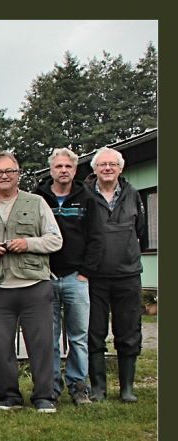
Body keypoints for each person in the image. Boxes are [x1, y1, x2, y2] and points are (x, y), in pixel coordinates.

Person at [0, 152, 62, 413]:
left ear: (18, 174)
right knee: (0, 346)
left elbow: (55, 240)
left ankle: (44, 396)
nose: (4, 176)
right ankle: (8, 396)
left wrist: (28, 244)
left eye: (9, 171)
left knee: (41, 345)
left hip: (34, 285)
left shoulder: (37, 203)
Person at [34, 148, 102, 405]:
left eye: (68, 167)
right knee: (48, 337)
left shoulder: (88, 198)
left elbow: (97, 238)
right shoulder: (38, 198)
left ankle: (78, 385)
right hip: (45, 276)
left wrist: (85, 273)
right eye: (58, 166)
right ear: (51, 170)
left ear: (75, 170)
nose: (63, 170)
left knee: (79, 336)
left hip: (76, 277)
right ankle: (51, 387)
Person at [85, 147, 148, 403]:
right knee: (94, 332)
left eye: (112, 164)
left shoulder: (133, 194)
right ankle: (98, 388)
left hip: (128, 275)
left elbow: (140, 231)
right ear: (95, 169)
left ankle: (127, 388)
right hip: (94, 276)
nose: (108, 168)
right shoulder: (85, 194)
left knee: (129, 330)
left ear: (120, 168)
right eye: (102, 164)